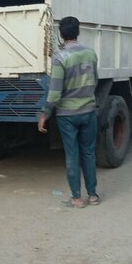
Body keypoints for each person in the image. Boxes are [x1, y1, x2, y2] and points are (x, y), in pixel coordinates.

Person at [38, 16, 100, 208]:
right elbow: (95, 80)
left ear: (61, 35)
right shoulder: (91, 54)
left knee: (72, 155)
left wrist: (44, 114)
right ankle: (93, 195)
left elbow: (55, 92)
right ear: (78, 32)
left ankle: (77, 198)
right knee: (89, 153)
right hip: (89, 111)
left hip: (68, 116)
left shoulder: (61, 57)